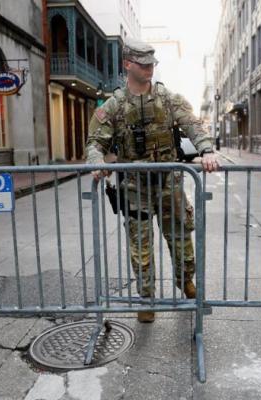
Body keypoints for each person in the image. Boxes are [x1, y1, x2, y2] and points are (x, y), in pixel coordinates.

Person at [85, 38, 219, 323]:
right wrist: (97, 162)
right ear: (128, 65)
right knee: (140, 246)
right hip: (135, 188)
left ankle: (186, 283)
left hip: (169, 185)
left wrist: (206, 149)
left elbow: (193, 125)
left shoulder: (168, 99)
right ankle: (146, 298)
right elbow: (95, 142)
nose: (149, 69)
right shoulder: (114, 106)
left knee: (182, 241)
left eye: (151, 64)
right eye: (143, 64)